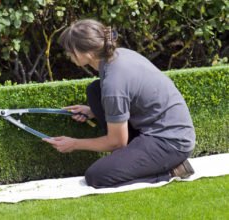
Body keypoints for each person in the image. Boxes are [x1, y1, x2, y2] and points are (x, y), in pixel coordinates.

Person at [42, 19, 195, 188]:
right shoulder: (117, 56)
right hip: (160, 128)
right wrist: (92, 111)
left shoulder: (114, 83)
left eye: (69, 51)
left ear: (84, 53)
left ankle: (173, 170)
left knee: (97, 176)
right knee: (94, 91)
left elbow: (117, 142)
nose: (68, 56)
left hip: (170, 142)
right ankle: (132, 159)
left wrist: (74, 143)